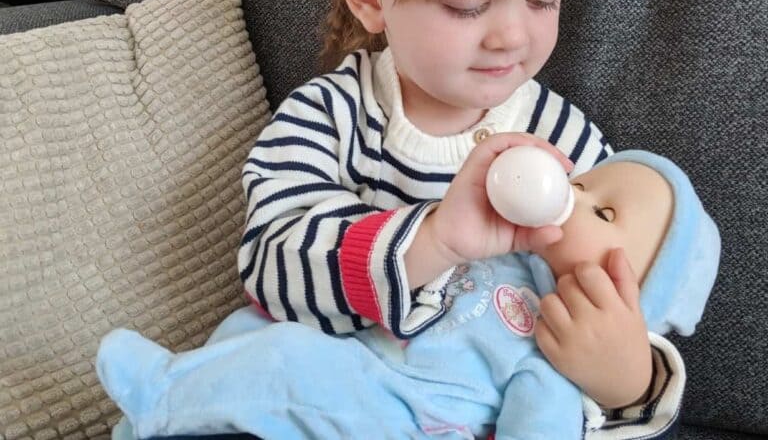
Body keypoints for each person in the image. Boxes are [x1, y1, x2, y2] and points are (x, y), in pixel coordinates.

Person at [230, 0, 688, 432]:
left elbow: (621, 292)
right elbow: (270, 269)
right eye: (469, 4)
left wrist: (630, 380)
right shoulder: (329, 117)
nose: (509, 36)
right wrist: (435, 240)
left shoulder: (567, 145)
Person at [97, 150, 721, 440]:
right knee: (251, 334)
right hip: (369, 360)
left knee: (292, 364)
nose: (572, 193)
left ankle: (165, 393)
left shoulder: (563, 366)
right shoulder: (502, 247)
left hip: (413, 419)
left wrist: (623, 377)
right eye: (582, 181)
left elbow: (563, 421)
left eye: (603, 213)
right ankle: (175, 417)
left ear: (635, 294)